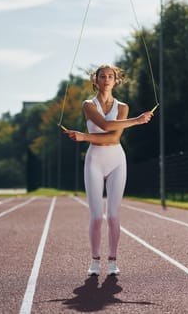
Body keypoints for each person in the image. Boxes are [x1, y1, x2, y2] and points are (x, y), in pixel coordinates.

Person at [67, 64, 153, 276]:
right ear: (95, 80)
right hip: (94, 160)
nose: (106, 79)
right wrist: (137, 122)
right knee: (97, 216)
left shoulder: (123, 107)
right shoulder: (89, 104)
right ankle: (95, 261)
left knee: (113, 216)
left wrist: (84, 136)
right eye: (102, 76)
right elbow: (105, 126)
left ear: (116, 81)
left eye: (110, 76)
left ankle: (113, 260)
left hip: (116, 160)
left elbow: (114, 136)